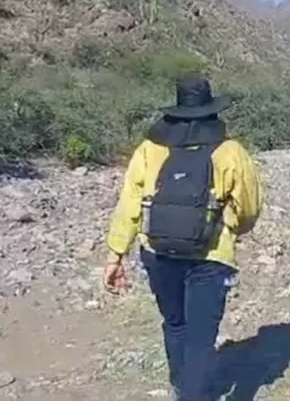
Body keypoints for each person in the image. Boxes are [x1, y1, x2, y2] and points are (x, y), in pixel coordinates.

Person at [103, 73, 263, 401]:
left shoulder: (149, 148)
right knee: (201, 339)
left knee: (175, 323)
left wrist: (115, 254)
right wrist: (232, 227)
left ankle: (181, 386)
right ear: (211, 109)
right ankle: (191, 394)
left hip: (157, 251)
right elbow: (248, 207)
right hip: (210, 254)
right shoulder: (230, 151)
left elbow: (129, 205)